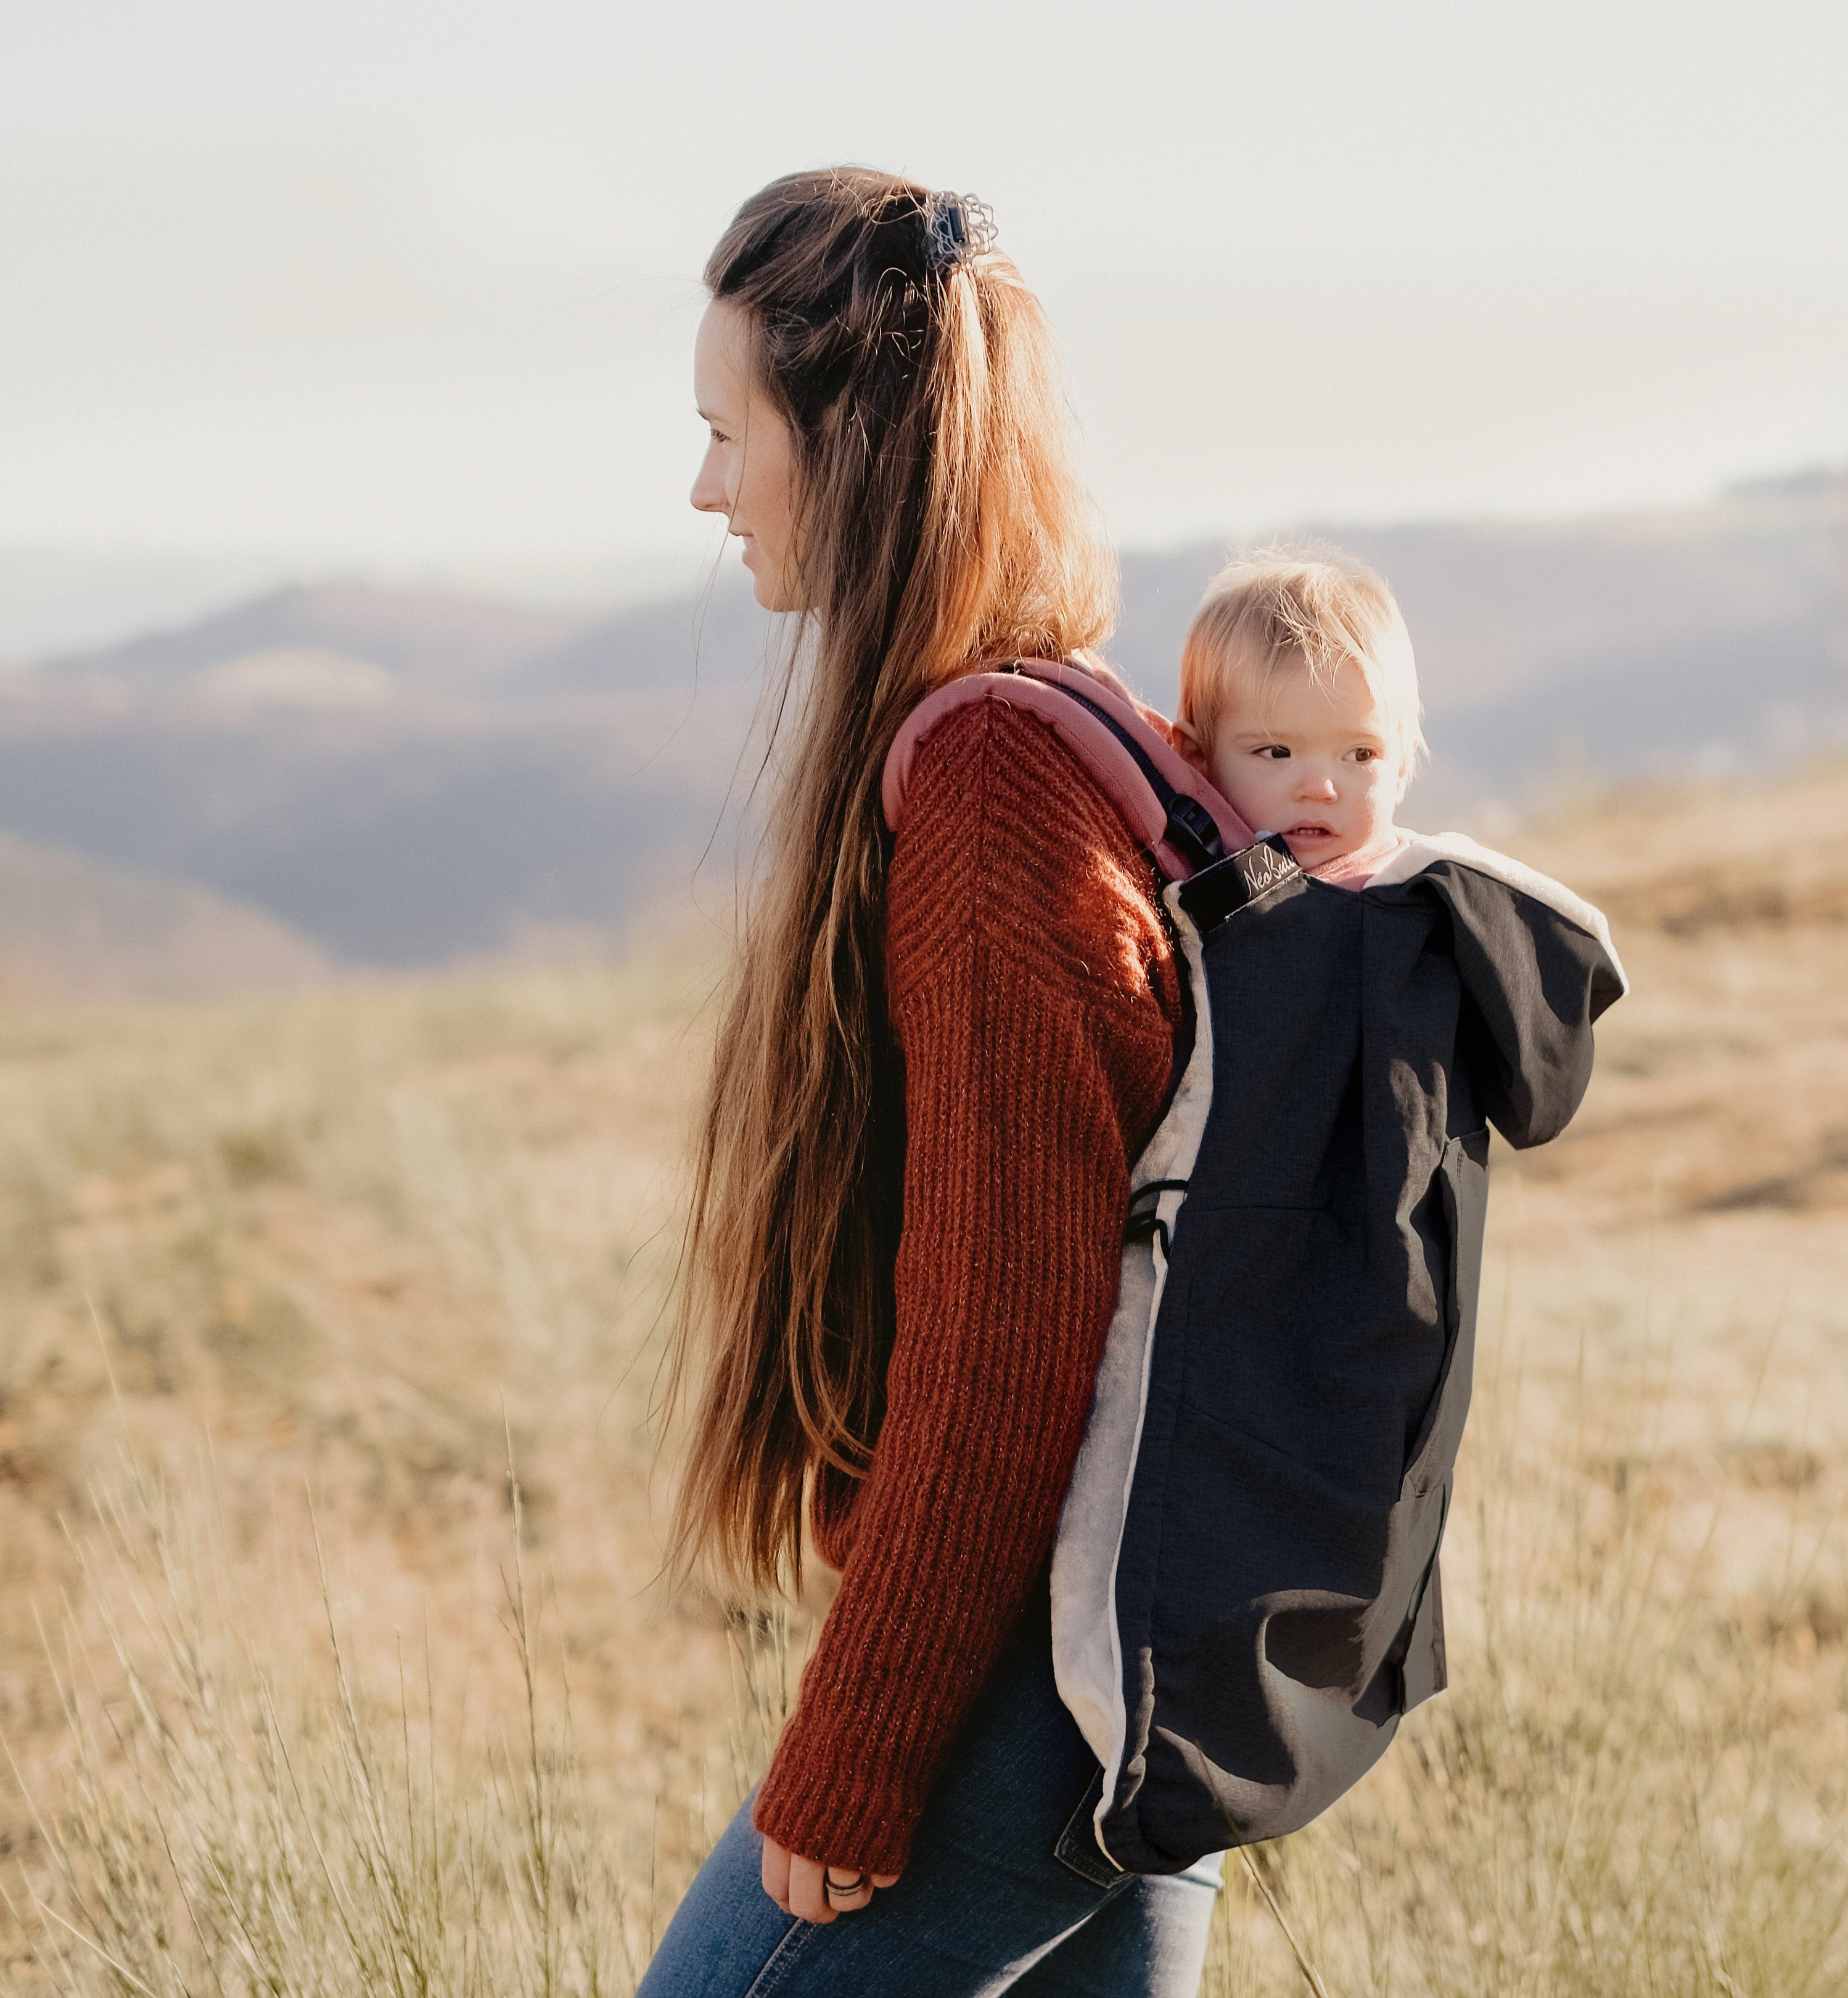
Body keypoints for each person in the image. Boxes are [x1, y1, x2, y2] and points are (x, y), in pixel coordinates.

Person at [639, 167, 1222, 1997]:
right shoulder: (1071, 718)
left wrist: (856, 1751)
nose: (708, 486)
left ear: (857, 443)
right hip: (1129, 1645)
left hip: (1021, 1681)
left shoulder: (985, 788)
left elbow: (1004, 1334)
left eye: (735, 431)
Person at [1171, 548, 1423, 889]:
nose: (1320, 789)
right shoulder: (1183, 882)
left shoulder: (1423, 904)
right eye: (1277, 752)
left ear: (1401, 766)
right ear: (1197, 759)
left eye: (1361, 754)